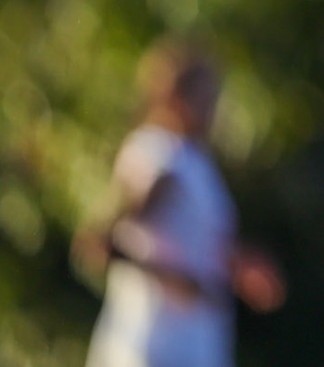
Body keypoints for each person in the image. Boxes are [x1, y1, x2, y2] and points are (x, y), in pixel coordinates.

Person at [73, 40, 286, 367]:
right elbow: (103, 241)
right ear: (172, 96)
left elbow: (197, 243)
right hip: (150, 346)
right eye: (206, 97)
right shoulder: (157, 153)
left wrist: (238, 265)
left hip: (195, 345)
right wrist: (175, 280)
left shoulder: (196, 161)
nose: (214, 108)